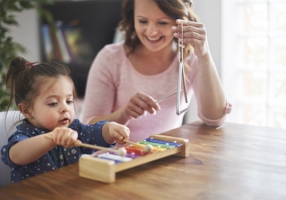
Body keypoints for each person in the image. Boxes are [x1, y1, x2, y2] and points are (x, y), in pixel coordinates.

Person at [82, 0, 232, 142]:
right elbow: (88, 129)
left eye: (162, 22)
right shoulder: (111, 58)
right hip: (112, 159)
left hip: (162, 159)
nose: (152, 32)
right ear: (132, 17)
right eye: (142, 21)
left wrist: (204, 55)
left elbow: (215, 119)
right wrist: (124, 114)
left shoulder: (190, 59)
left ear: (180, 21)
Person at [1, 57, 130, 183]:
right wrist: (52, 138)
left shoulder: (74, 129)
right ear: (27, 111)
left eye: (69, 101)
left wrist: (110, 129)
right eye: (53, 103)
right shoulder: (24, 135)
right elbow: (15, 155)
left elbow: (95, 133)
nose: (65, 108)